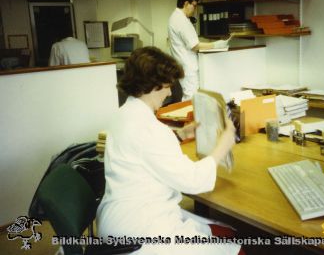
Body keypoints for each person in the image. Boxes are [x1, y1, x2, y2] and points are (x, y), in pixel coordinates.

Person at [96, 47, 242, 255]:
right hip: (141, 229)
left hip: (121, 217)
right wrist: (223, 145)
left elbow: (142, 151)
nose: (169, 92)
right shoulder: (150, 129)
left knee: (222, 231)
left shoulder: (124, 115)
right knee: (234, 249)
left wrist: (180, 135)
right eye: (168, 86)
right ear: (154, 85)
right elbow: (192, 181)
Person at [168, 0, 230, 101]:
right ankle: (190, 118)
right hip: (188, 67)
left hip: (184, 65)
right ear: (186, 4)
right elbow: (194, 45)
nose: (195, 10)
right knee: (191, 97)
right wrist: (216, 45)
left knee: (191, 97)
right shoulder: (181, 20)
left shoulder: (175, 17)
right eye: (194, 6)